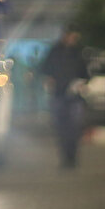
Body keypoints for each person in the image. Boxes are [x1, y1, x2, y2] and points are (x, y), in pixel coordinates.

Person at [39, 25, 90, 168]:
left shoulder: (79, 52)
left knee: (74, 128)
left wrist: (81, 84)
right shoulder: (55, 51)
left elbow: (86, 74)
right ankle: (65, 158)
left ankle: (72, 157)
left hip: (75, 97)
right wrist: (49, 80)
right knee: (60, 128)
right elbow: (44, 69)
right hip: (58, 95)